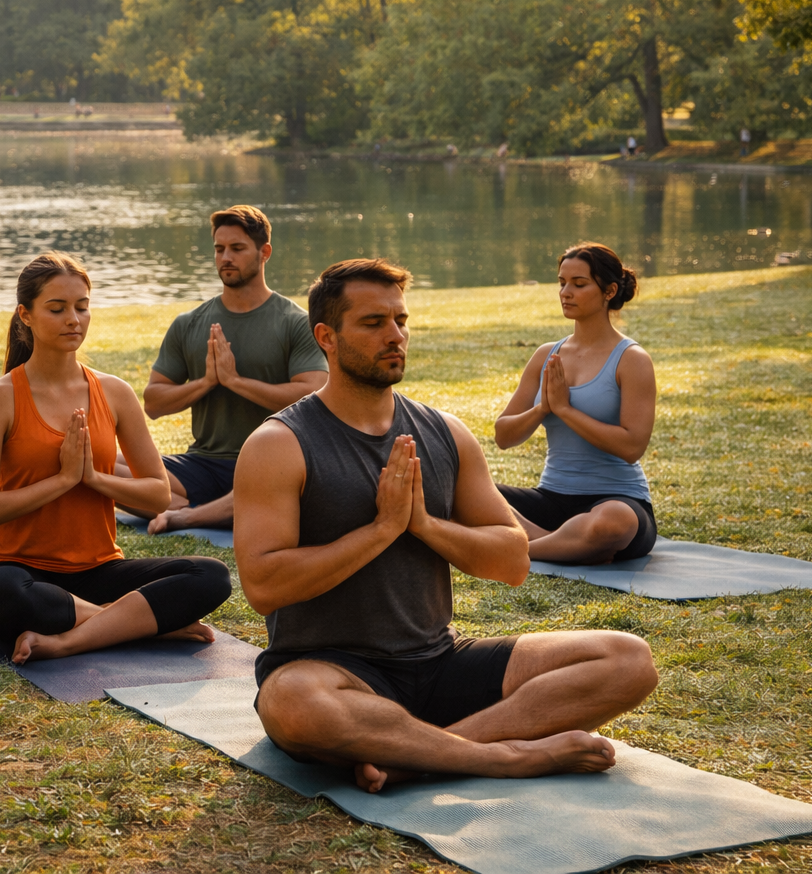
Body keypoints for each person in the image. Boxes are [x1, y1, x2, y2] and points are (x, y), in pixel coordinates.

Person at [234, 258, 657, 793]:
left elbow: (512, 559)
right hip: (333, 670)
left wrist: (424, 526)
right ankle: (505, 758)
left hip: (439, 661)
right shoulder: (279, 444)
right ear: (327, 337)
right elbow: (265, 585)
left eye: (401, 320)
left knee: (627, 659)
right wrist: (379, 532)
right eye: (373, 323)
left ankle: (417, 756)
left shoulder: (445, 433)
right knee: (291, 703)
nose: (395, 336)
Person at [0, 252, 232, 663]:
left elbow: (157, 495)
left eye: (82, 307)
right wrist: (62, 480)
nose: (74, 319)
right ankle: (131, 625)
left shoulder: (114, 392)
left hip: (98, 572)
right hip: (19, 570)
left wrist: (92, 478)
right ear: (26, 315)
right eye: (57, 309)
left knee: (210, 576)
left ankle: (71, 639)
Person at [119, 205, 327, 533]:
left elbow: (312, 396)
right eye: (219, 249)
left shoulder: (295, 323)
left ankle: (183, 515)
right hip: (202, 464)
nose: (225, 257)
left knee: (281, 485)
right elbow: (154, 403)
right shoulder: (189, 324)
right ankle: (205, 510)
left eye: (237, 248)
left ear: (264, 253)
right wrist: (206, 382)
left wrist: (235, 381)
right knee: (105, 463)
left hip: (269, 462)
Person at [493, 243, 657, 564]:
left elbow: (632, 447)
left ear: (609, 291)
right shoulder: (546, 355)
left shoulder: (632, 360)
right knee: (460, 488)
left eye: (579, 284)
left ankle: (520, 545)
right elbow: (503, 436)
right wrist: (543, 409)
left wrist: (566, 410)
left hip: (616, 500)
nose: (566, 292)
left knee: (612, 524)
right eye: (562, 283)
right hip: (551, 500)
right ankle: (560, 543)